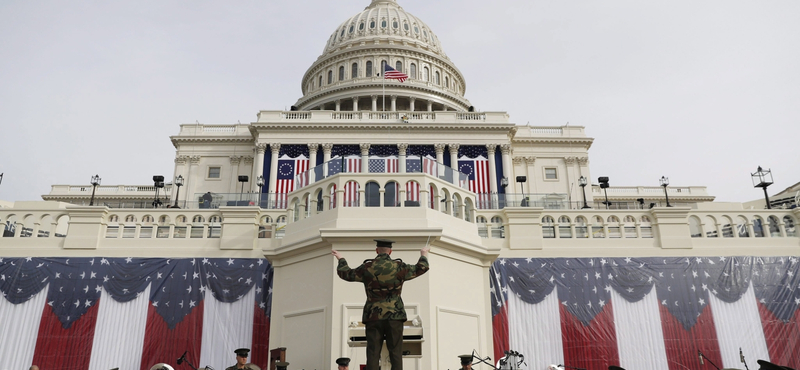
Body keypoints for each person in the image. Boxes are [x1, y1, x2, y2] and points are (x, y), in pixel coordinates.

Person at [332, 239, 430, 370]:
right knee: (395, 353)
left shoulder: (367, 267)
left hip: (373, 316)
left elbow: (346, 273)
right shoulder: (399, 267)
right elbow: (421, 268)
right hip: (395, 316)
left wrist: (341, 258)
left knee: (373, 353)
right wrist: (423, 254)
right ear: (390, 251)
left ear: (377, 250)